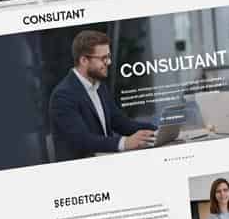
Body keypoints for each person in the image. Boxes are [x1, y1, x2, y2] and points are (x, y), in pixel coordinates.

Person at [49, 30, 157, 161]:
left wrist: (157, 131)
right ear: (84, 60)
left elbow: (122, 123)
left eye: (109, 56)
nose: (109, 62)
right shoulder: (63, 95)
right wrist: (125, 142)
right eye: (103, 58)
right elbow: (82, 140)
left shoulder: (100, 87)